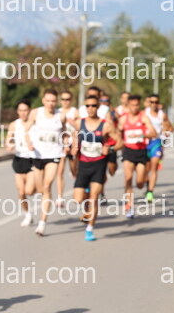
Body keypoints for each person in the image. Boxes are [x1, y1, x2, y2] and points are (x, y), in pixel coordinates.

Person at [71, 95, 120, 241]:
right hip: (83, 165)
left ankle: (89, 229)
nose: (90, 108)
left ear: (98, 107)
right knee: (78, 199)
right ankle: (86, 201)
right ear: (85, 107)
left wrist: (110, 149)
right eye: (88, 106)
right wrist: (74, 146)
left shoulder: (106, 125)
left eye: (93, 105)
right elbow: (75, 135)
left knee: (94, 198)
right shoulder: (79, 123)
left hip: (99, 165)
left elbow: (120, 142)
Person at [25, 89, 68, 236]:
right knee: (39, 189)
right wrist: (28, 142)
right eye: (48, 100)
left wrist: (67, 144)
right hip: (38, 154)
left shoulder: (60, 115)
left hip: (54, 154)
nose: (50, 103)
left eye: (53, 101)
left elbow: (65, 132)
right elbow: (26, 129)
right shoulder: (36, 113)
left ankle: (42, 222)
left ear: (57, 102)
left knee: (47, 185)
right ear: (43, 100)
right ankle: (43, 198)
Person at [117, 94, 157, 219]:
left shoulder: (143, 117)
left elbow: (154, 133)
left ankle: (145, 183)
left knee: (139, 183)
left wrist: (142, 135)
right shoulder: (123, 119)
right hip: (128, 151)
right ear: (128, 105)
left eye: (136, 105)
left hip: (141, 152)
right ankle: (129, 205)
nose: (134, 108)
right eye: (132, 105)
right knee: (128, 178)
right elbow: (117, 134)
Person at [5, 100, 36, 227]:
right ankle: (28, 214)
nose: (23, 113)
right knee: (22, 193)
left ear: (29, 111)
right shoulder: (14, 124)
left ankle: (38, 186)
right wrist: (9, 145)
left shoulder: (34, 124)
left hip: (32, 160)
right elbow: (8, 140)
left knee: (29, 191)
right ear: (18, 111)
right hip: (19, 160)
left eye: (25, 110)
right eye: (21, 110)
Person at [144, 94, 173, 202]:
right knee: (145, 170)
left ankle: (150, 192)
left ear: (158, 103)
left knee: (154, 167)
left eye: (156, 102)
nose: (154, 104)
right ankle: (148, 185)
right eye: (152, 102)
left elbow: (170, 127)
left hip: (156, 143)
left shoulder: (162, 114)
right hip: (145, 142)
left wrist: (165, 137)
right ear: (149, 103)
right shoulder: (144, 113)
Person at [55, 90, 78, 207]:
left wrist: (72, 122)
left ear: (71, 100)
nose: (65, 101)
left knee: (74, 171)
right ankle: (60, 197)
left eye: (67, 99)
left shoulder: (75, 112)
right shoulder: (57, 112)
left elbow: (79, 128)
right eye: (63, 99)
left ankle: (77, 190)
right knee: (59, 172)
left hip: (72, 143)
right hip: (61, 144)